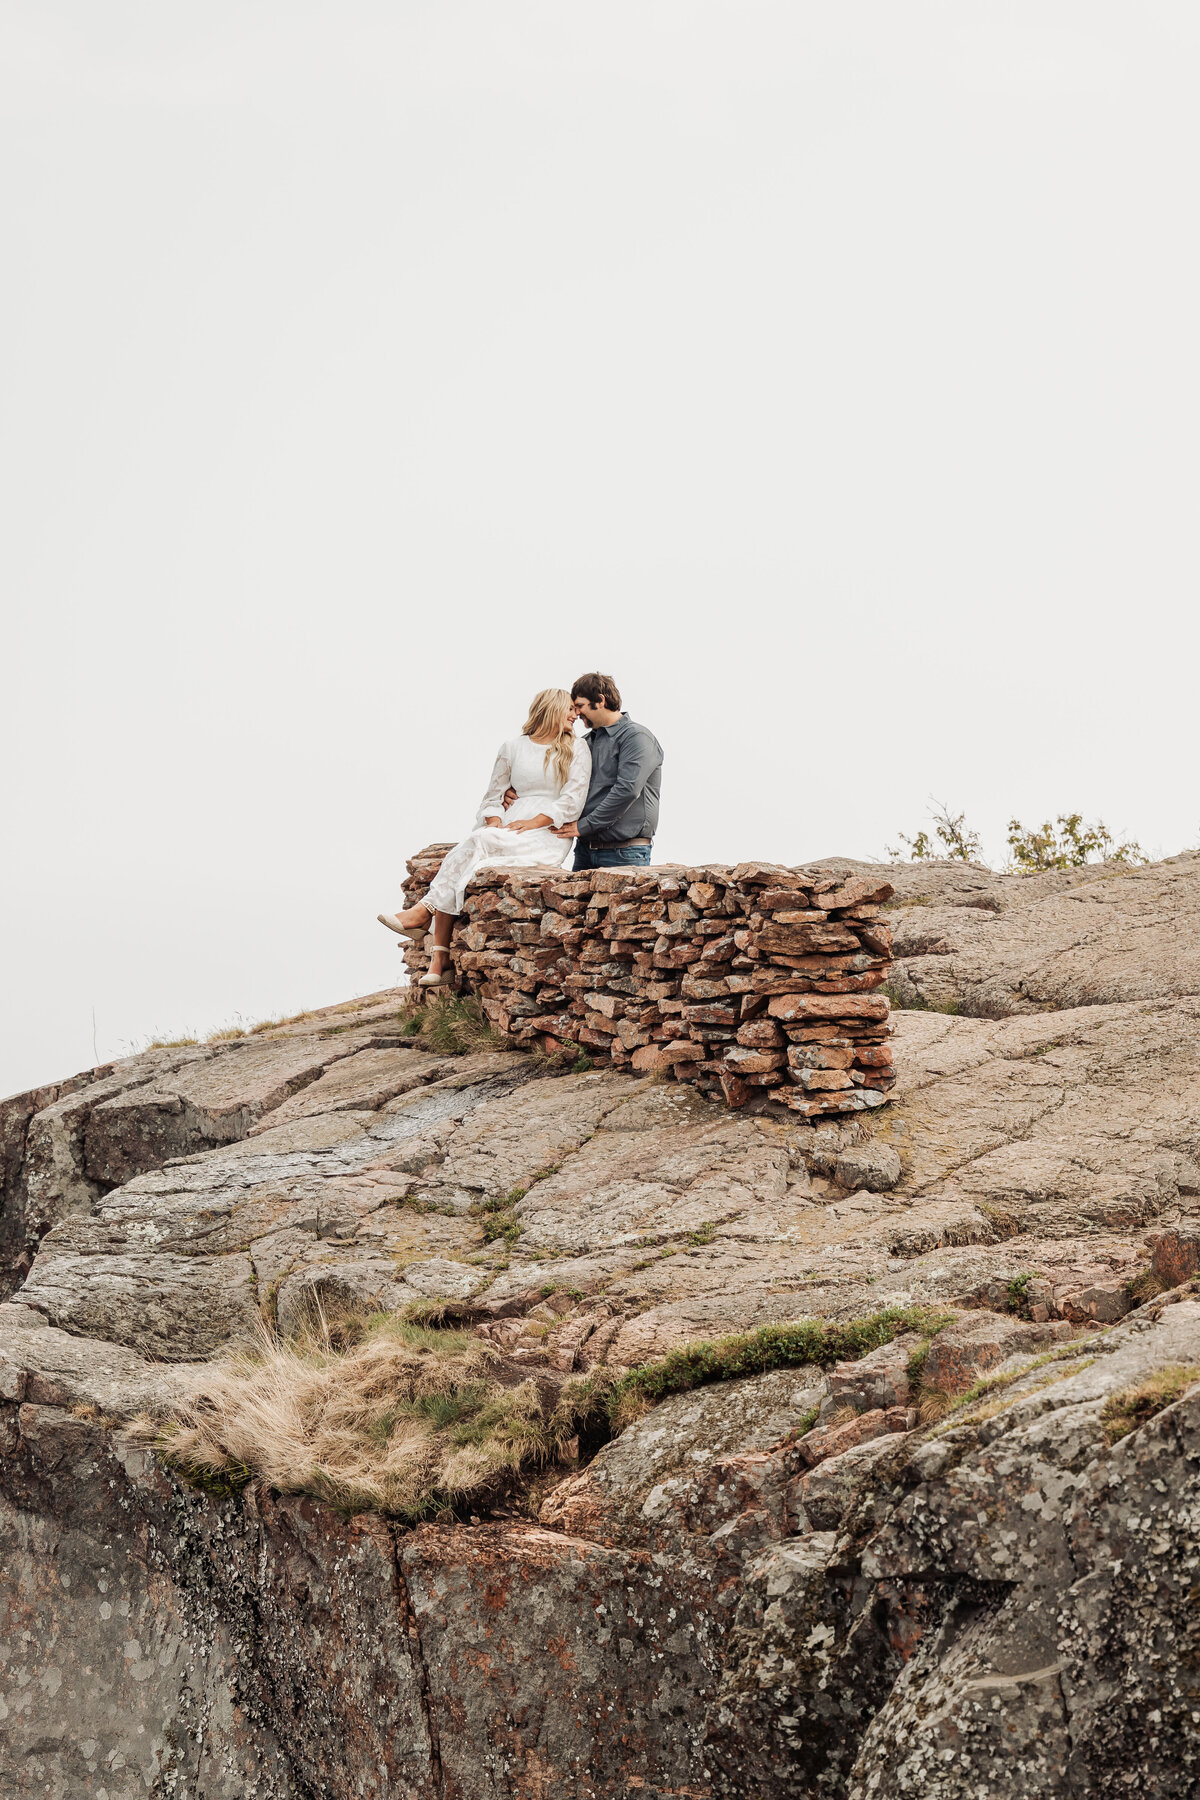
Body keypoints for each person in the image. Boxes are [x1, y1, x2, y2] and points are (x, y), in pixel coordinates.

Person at [377, 689, 591, 986]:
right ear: (551, 709)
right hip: (507, 826)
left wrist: (533, 822)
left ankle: (423, 915)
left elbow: (573, 799)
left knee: (475, 845)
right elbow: (492, 796)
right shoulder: (512, 747)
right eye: (569, 709)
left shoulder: (576, 748)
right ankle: (439, 960)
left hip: (547, 831)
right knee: (472, 851)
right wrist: (494, 822)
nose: (575, 714)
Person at [557, 673, 663, 870]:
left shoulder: (636, 737)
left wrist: (584, 826)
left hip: (624, 853)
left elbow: (627, 789)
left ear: (600, 700)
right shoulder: (586, 742)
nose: (576, 713)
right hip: (584, 852)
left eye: (580, 705)